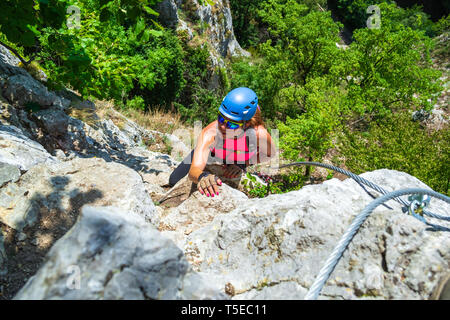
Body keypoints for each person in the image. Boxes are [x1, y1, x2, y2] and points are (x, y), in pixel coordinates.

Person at [168, 87, 275, 197]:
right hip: (213, 151)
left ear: (246, 124)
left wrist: (244, 163)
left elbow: (269, 154)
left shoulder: (258, 134)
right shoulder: (210, 132)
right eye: (221, 119)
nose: (223, 127)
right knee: (174, 180)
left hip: (237, 156)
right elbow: (194, 170)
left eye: (231, 124)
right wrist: (202, 176)